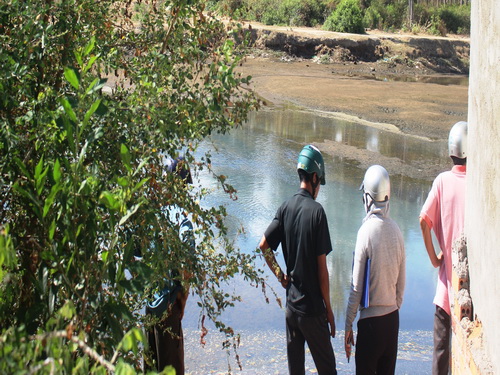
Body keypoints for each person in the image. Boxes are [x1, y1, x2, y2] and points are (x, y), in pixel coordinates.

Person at [259, 144, 337, 375]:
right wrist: (330, 310)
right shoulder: (317, 213)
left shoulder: (285, 208)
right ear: (314, 177)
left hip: (292, 309)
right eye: (320, 182)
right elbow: (322, 271)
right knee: (328, 370)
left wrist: (281, 276)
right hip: (312, 311)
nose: (319, 188)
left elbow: (263, 246)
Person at [344, 165, 406, 375]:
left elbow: (356, 288)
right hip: (392, 322)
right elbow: (401, 286)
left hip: (370, 325)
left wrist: (348, 325)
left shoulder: (365, 232)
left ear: (368, 198)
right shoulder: (397, 231)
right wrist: (391, 307)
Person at [419, 121, 467, 375]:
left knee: (440, 354)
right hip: (472, 292)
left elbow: (423, 221)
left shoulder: (442, 181)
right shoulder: (479, 184)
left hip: (445, 291)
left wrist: (435, 259)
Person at [145, 156, 194, 374]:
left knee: (150, 367)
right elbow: (188, 265)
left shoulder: (151, 216)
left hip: (149, 307)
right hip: (168, 308)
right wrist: (182, 298)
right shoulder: (182, 221)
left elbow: (138, 252)